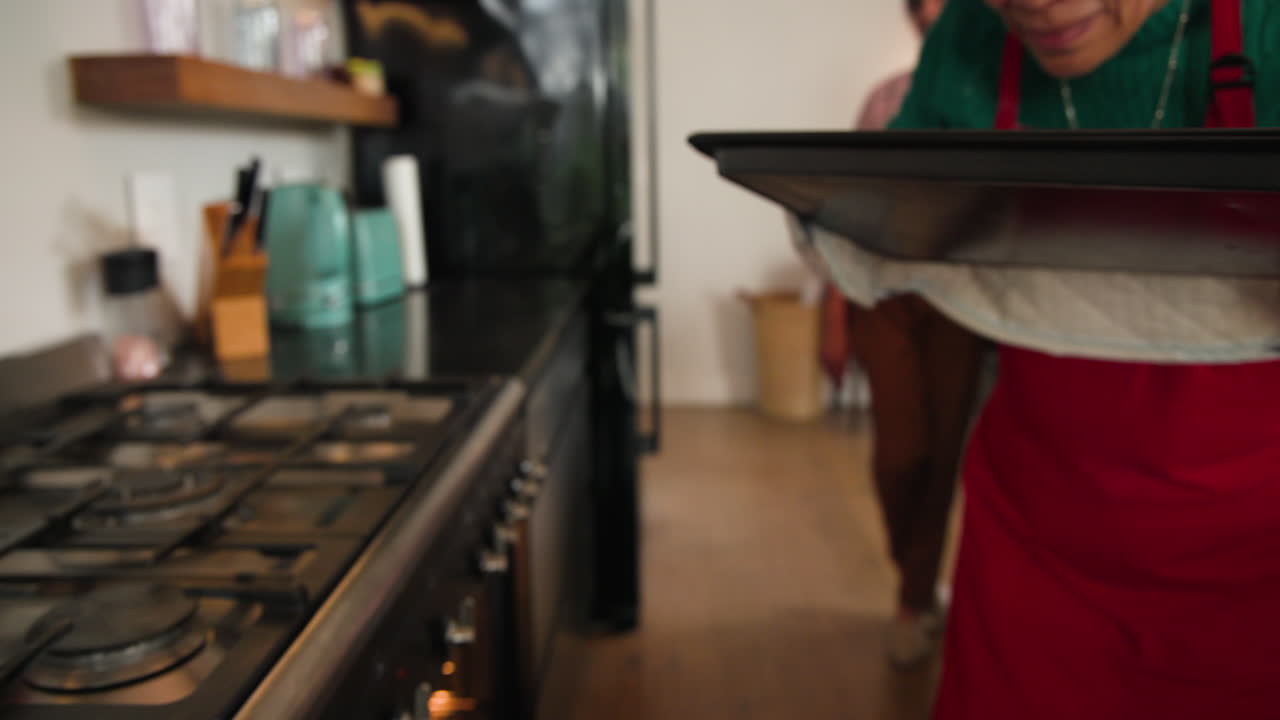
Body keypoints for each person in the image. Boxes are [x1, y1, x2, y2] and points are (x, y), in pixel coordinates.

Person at [808, 0, 1280, 717]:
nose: (1034, 4)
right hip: (1034, 546)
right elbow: (894, 213)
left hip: (1253, 551)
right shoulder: (969, 34)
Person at [818, 0, 981, 669]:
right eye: (925, 11)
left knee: (943, 456)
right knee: (899, 454)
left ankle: (913, 599)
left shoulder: (989, 104)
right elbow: (846, 218)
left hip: (958, 302)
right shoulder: (885, 101)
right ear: (912, 20)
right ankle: (915, 575)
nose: (936, 21)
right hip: (882, 297)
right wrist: (833, 319)